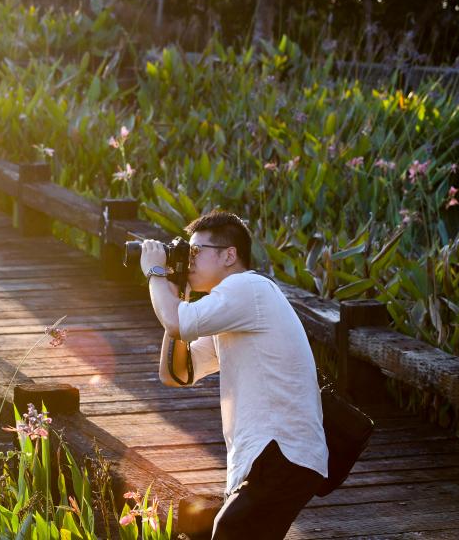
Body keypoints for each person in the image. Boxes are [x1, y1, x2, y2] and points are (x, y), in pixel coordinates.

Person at [139, 210, 328, 540]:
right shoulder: (233, 309)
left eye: (196, 252)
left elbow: (176, 322)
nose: (190, 259)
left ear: (230, 255)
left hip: (280, 450)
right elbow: (177, 374)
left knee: (230, 533)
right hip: (275, 456)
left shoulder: (248, 287)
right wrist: (177, 292)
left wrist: (156, 272)